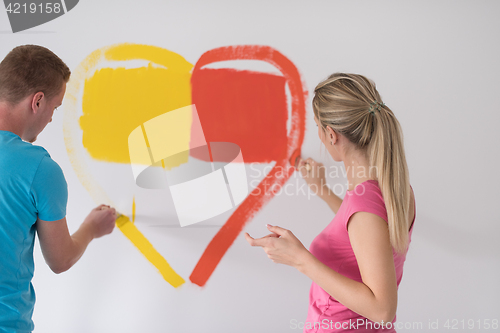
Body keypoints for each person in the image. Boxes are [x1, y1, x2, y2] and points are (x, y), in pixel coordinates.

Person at [246, 73, 416, 332]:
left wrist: (300, 259)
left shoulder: (364, 203)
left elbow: (383, 310)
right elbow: (363, 236)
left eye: (317, 126)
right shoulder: (393, 190)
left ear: (331, 134)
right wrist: (321, 189)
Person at [0, 45, 117, 333]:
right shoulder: (39, 168)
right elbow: (60, 259)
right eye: (55, 107)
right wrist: (92, 227)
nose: (52, 117)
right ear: (37, 101)